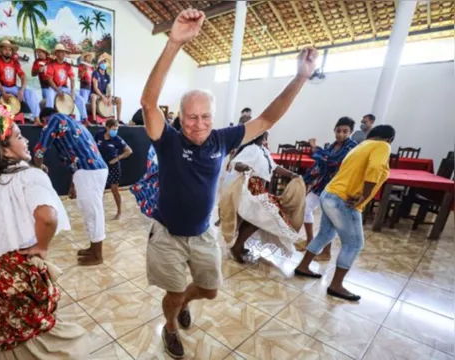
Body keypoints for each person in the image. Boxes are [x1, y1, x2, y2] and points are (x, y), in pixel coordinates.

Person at [139, 9, 318, 358]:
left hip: (204, 233)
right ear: (180, 116)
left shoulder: (221, 139)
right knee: (173, 294)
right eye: (191, 116)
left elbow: (267, 118)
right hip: (168, 235)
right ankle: (171, 326)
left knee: (209, 290)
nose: (198, 123)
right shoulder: (168, 140)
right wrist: (175, 42)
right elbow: (148, 103)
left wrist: (301, 77)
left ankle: (184, 304)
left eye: (205, 116)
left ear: (213, 116)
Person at [0, 104, 89, 359]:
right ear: (2, 148)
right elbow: (47, 217)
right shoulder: (29, 176)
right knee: (27, 333)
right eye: (18, 136)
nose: (26, 139)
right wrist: (42, 246)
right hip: (12, 270)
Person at [295, 125, 395, 301]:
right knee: (354, 244)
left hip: (330, 193)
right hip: (344, 199)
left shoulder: (360, 146)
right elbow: (375, 169)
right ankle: (336, 285)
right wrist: (364, 195)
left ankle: (303, 266)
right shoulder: (382, 146)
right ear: (389, 139)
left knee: (325, 234)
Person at [33, 108, 107, 266]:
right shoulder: (73, 122)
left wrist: (37, 169)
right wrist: (73, 185)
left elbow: (40, 150)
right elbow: (74, 156)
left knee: (93, 213)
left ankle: (97, 255)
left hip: (88, 171)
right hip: (90, 170)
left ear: (44, 118)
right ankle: (93, 248)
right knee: (90, 211)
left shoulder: (54, 120)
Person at [220, 132, 304, 264]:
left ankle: (239, 246)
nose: (266, 138)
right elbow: (236, 163)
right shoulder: (251, 149)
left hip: (259, 187)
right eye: (264, 135)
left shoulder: (263, 150)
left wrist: (291, 174)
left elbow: (274, 167)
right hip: (250, 187)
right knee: (256, 219)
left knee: (253, 219)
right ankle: (237, 247)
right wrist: (245, 167)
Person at [296, 117, 358, 260]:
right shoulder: (332, 145)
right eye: (338, 131)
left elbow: (331, 160)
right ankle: (310, 241)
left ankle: (326, 253)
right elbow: (322, 163)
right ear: (334, 130)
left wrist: (315, 148)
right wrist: (307, 180)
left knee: (328, 219)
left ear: (351, 132)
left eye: (345, 131)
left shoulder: (351, 147)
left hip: (337, 187)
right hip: (322, 184)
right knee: (305, 208)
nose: (341, 134)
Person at [0, 38, 41, 121]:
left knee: (31, 93)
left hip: (12, 87)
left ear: (12, 51)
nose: (7, 51)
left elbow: (23, 77)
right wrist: (3, 92)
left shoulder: (15, 62)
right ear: (0, 50)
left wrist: (22, 91)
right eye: (5, 49)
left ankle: (37, 118)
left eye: (9, 49)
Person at [95, 119, 133, 219]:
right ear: (107, 127)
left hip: (113, 167)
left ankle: (119, 211)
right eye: (113, 129)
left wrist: (117, 158)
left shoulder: (117, 139)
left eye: (117, 129)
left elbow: (129, 151)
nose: (115, 131)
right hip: (101, 166)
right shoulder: (99, 135)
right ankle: (99, 212)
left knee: (114, 189)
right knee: (99, 190)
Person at [44, 44, 87, 122]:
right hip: (54, 88)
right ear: (56, 53)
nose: (63, 54)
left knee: (81, 99)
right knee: (50, 95)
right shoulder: (51, 65)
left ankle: (85, 119)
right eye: (61, 52)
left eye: (64, 52)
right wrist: (58, 90)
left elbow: (72, 79)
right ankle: (48, 118)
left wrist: (72, 92)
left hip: (64, 87)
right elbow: (49, 80)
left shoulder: (67, 65)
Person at [90, 54, 122, 121]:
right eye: (102, 62)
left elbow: (109, 87)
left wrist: (110, 97)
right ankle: (94, 119)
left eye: (104, 62)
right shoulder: (95, 73)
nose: (103, 64)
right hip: (97, 94)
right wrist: (103, 97)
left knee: (119, 99)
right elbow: (95, 88)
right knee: (93, 97)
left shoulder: (107, 75)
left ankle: (119, 120)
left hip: (105, 95)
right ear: (99, 64)